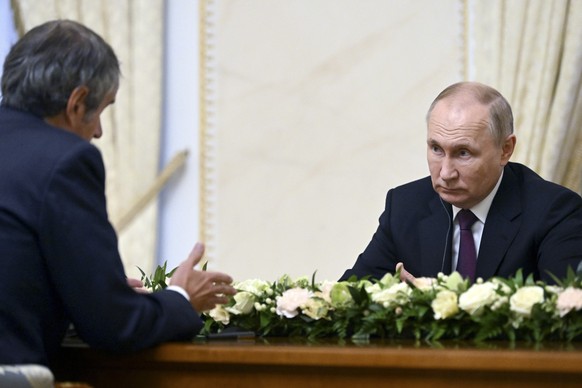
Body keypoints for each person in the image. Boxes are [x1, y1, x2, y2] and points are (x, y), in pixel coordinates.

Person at [0, 20, 236, 367]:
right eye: (102, 110)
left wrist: (86, 290)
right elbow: (115, 327)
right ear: (78, 102)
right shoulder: (65, 159)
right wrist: (181, 297)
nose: (97, 132)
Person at [340, 81, 582, 284]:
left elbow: (563, 318)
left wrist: (433, 302)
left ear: (505, 150)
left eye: (463, 153)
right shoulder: (406, 206)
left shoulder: (555, 212)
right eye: (436, 149)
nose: (445, 173)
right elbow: (350, 296)